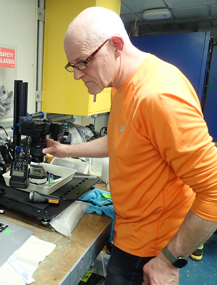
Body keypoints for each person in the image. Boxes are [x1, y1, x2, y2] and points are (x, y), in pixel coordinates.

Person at [42, 7, 217, 285]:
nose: (77, 75)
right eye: (72, 65)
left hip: (149, 253)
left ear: (116, 46)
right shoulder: (121, 86)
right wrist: (65, 151)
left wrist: (168, 261)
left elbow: (214, 192)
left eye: (83, 62)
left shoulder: (158, 96)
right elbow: (120, 140)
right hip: (130, 234)